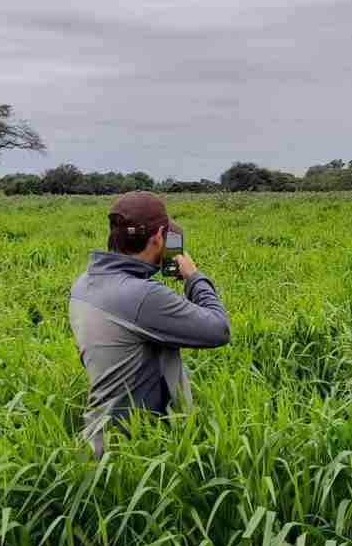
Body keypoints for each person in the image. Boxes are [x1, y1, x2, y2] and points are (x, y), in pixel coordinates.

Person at [68, 191, 231, 457]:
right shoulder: (143, 296)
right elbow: (218, 329)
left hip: (99, 438)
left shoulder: (84, 283)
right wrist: (194, 277)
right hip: (133, 450)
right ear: (157, 238)